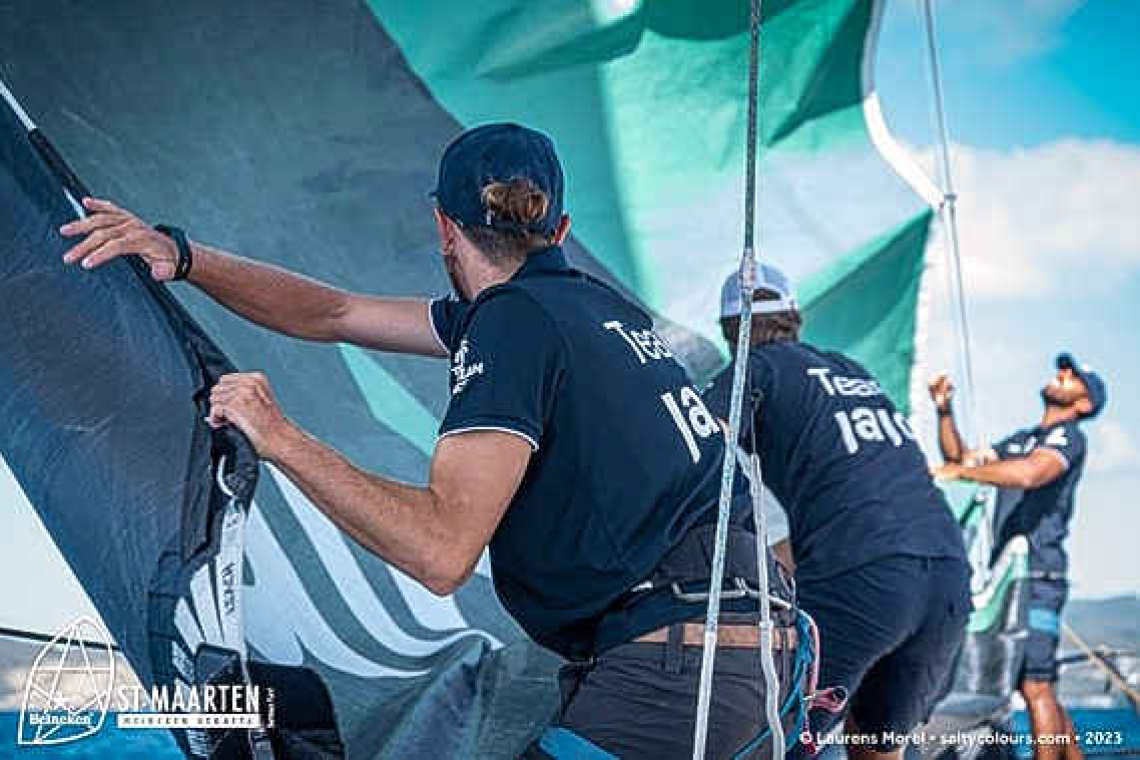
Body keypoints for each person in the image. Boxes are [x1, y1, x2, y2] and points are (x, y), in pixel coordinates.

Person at [60, 123, 796, 759]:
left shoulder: (515, 325)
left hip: (675, 673)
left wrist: (279, 436)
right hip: (756, 662)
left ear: (443, 226)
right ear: (560, 233)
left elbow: (439, 553)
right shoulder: (590, 310)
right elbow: (335, 313)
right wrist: (183, 256)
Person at [703, 264, 971, 760]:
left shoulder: (754, 369)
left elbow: (692, 448)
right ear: (795, 318)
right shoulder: (851, 372)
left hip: (867, 581)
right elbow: (856, 507)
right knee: (876, 745)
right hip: (947, 579)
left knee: (771, 745)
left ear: (729, 333)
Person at [929, 355, 1106, 760]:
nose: (1062, 373)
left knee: (1036, 686)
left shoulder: (1067, 438)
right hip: (1013, 576)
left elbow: (1030, 474)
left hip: (1039, 574)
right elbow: (961, 458)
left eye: (1074, 376)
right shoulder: (1024, 439)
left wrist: (964, 473)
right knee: (1035, 682)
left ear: (1085, 405)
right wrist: (944, 410)